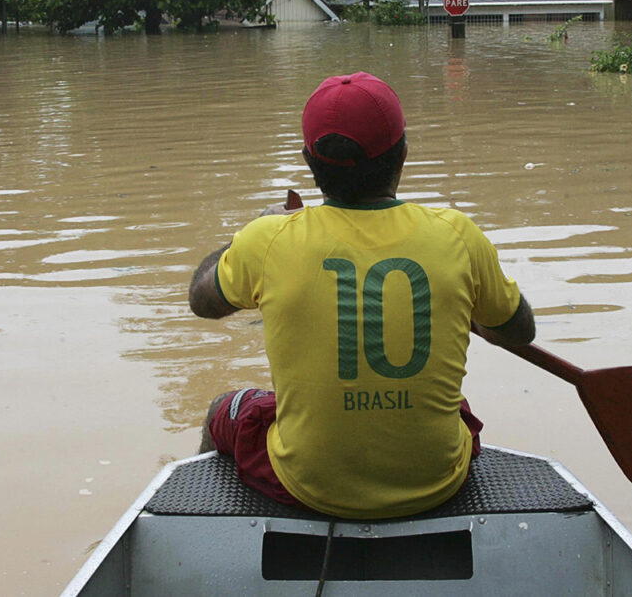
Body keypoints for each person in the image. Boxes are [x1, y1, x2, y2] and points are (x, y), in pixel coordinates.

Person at [188, 71, 535, 519]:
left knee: (225, 408)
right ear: (404, 154)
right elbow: (519, 332)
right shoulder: (458, 236)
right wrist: (479, 308)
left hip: (307, 484)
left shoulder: (268, 240)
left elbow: (202, 300)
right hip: (437, 478)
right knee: (453, 406)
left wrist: (251, 232)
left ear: (308, 162)